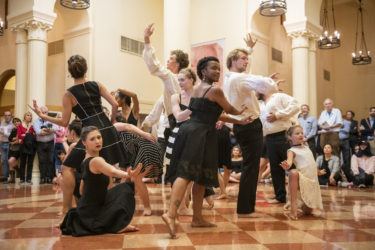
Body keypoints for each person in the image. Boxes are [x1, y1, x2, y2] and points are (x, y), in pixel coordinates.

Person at [162, 57, 250, 239]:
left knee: (200, 177)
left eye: (219, 69)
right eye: (214, 68)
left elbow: (216, 115)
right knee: (186, 174)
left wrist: (239, 120)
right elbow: (229, 109)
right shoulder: (215, 90)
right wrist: (240, 112)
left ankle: (197, 218)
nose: (218, 71)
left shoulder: (198, 89)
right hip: (200, 134)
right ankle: (170, 214)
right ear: (203, 71)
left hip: (193, 131)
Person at [29, 55, 127, 218]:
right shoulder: (97, 84)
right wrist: (111, 121)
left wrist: (43, 116)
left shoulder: (69, 94)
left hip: (90, 131)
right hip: (108, 129)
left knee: (67, 167)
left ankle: (67, 209)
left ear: (69, 73)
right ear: (86, 70)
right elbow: (115, 104)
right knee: (106, 169)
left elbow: (64, 121)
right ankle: (106, 210)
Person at [223, 34, 281, 217]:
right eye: (243, 58)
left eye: (247, 58)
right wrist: (268, 82)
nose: (246, 61)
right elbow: (268, 87)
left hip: (243, 125)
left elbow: (253, 80)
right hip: (249, 124)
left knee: (251, 165)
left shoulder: (231, 78)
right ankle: (245, 209)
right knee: (251, 166)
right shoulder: (238, 79)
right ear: (233, 60)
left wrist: (249, 50)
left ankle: (245, 207)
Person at [60, 126, 143, 237]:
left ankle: (112, 221)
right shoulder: (96, 160)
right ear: (84, 143)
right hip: (92, 212)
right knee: (125, 189)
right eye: (92, 139)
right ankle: (117, 225)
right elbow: (113, 171)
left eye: (99, 137)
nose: (97, 141)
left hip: (86, 210)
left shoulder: (85, 159)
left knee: (118, 191)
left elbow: (81, 191)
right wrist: (127, 174)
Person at [143, 23, 189, 141]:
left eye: (171, 59)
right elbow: (159, 105)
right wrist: (146, 124)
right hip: (180, 126)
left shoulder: (171, 77)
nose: (168, 60)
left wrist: (147, 39)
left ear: (178, 64)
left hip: (177, 125)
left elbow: (154, 66)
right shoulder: (177, 82)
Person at [114, 114, 162, 216]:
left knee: (136, 179)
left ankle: (147, 207)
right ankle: (124, 204)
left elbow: (129, 126)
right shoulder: (108, 136)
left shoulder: (114, 126)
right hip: (144, 149)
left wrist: (144, 134)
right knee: (133, 179)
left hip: (148, 148)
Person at [260, 92, 299, 204]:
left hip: (282, 136)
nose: (254, 92)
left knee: (291, 166)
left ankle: (299, 196)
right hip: (269, 138)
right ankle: (280, 196)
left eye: (256, 90)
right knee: (275, 169)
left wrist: (278, 115)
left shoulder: (278, 96)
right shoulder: (261, 104)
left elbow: (296, 105)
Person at [280, 125, 324, 220]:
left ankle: (296, 204)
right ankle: (293, 207)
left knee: (308, 211)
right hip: (303, 179)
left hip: (312, 182)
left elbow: (311, 163)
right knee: (293, 173)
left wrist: (318, 171)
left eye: (301, 133)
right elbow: (289, 161)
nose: (300, 135)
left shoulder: (307, 148)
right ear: (290, 137)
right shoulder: (291, 150)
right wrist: (287, 165)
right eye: (297, 133)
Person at [33, 106, 58, 184]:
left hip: (50, 143)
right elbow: (38, 132)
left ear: (47, 112)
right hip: (40, 144)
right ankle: (42, 178)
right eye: (42, 112)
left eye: (45, 112)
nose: (44, 114)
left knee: (50, 160)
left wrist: (44, 130)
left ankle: (49, 177)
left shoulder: (52, 120)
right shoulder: (36, 121)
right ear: (39, 113)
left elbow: (55, 129)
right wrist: (49, 131)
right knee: (42, 161)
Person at [17, 111, 36, 184]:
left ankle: (29, 179)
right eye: (27, 115)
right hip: (23, 145)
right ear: (24, 117)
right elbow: (19, 136)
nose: (29, 116)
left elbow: (34, 136)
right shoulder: (20, 125)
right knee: (22, 162)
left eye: (30, 115)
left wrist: (26, 135)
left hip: (31, 145)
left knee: (30, 163)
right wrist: (28, 135)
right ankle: (22, 179)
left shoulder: (33, 126)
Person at [7, 117, 22, 183]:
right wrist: (15, 139)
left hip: (18, 149)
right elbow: (9, 138)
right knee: (10, 163)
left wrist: (14, 140)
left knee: (11, 161)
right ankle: (12, 179)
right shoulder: (13, 130)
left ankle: (17, 169)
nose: (16, 123)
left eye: (17, 121)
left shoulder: (22, 129)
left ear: (20, 122)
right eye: (15, 122)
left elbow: (21, 138)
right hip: (11, 149)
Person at [54, 113, 67, 182]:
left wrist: (61, 134)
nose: (60, 118)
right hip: (57, 144)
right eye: (59, 117)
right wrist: (61, 134)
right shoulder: (55, 125)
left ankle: (64, 176)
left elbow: (66, 134)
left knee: (64, 159)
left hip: (63, 144)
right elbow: (58, 133)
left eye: (62, 117)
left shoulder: (66, 126)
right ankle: (58, 175)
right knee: (57, 160)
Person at [0, 111, 13, 182]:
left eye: (8, 115)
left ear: (11, 116)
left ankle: (9, 177)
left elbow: (11, 135)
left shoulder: (13, 124)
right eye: (5, 115)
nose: (7, 117)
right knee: (3, 161)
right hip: (2, 143)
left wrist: (3, 133)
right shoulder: (2, 122)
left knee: (9, 161)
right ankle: (5, 176)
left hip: (9, 143)